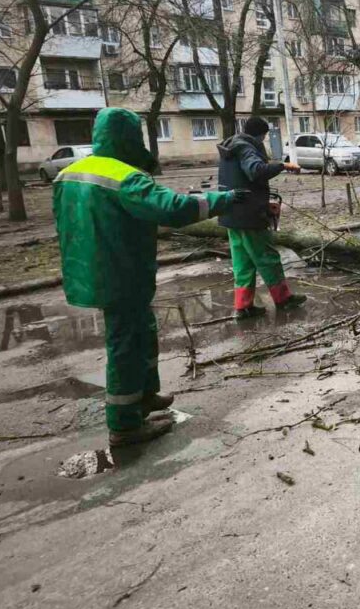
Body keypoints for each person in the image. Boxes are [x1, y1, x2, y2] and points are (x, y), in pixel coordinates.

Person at [53, 108, 241, 447]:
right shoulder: (124, 176)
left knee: (142, 330)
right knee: (126, 344)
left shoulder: (69, 174)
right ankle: (125, 425)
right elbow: (173, 208)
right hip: (121, 271)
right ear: (129, 137)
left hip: (88, 269)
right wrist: (223, 200)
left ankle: (145, 396)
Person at [216, 116, 307, 320]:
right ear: (260, 134)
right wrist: (281, 166)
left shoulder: (230, 147)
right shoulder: (246, 148)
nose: (264, 140)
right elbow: (255, 171)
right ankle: (283, 299)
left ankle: (243, 307)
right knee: (267, 257)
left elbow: (239, 180)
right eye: (264, 136)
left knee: (243, 263)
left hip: (231, 213)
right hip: (249, 216)